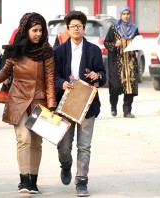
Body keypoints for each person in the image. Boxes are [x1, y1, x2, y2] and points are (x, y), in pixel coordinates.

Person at [0, 12, 56, 194]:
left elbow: (50, 81)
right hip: (18, 100)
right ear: (25, 30)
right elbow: (5, 73)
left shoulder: (47, 52)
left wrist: (51, 107)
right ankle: (24, 180)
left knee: (36, 142)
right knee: (24, 138)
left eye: (41, 30)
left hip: (39, 101)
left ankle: (33, 181)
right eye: (34, 30)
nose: (38, 34)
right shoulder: (15, 50)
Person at [54, 10, 106, 197]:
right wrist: (62, 83)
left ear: (84, 29)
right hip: (66, 103)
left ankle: (81, 181)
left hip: (87, 104)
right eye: (72, 26)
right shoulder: (59, 51)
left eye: (79, 26)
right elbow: (54, 77)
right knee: (64, 146)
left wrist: (97, 75)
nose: (76, 29)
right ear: (67, 29)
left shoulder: (93, 50)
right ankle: (66, 165)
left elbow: (103, 74)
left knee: (84, 146)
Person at [104, 5, 139, 118]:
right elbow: (106, 43)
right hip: (116, 62)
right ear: (120, 15)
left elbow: (138, 44)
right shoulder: (114, 28)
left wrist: (136, 43)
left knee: (130, 86)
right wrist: (115, 44)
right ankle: (113, 106)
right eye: (124, 14)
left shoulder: (134, 28)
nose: (126, 16)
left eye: (128, 14)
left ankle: (127, 111)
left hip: (130, 62)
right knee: (115, 85)